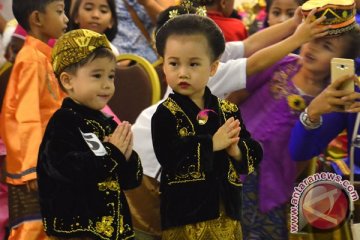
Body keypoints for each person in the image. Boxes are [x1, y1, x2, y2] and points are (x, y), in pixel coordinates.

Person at [224, 0, 360, 239]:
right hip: (228, 158)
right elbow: (235, 98)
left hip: (270, 182)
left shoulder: (333, 101)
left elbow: (305, 148)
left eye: (326, 45)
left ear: (344, 62)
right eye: (312, 38)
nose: (313, 48)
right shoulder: (280, 64)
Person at [151, 14, 263, 239]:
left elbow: (254, 152)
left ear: (212, 68)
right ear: (164, 66)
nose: (182, 72)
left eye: (193, 64)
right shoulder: (165, 114)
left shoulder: (228, 110)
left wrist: (237, 150)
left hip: (227, 211)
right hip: (185, 214)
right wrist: (211, 144)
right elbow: (169, 156)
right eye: (174, 63)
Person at [37, 29, 143, 239]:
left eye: (111, 76)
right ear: (68, 81)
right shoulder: (65, 122)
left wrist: (127, 156)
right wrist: (113, 152)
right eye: (97, 75)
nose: (107, 84)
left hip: (112, 229)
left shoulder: (105, 123)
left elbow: (130, 181)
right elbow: (67, 168)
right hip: (79, 230)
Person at [0, 0, 68, 239]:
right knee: (32, 228)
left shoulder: (45, 57)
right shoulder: (30, 59)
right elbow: (23, 117)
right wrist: (30, 169)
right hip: (35, 167)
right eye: (59, 12)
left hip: (50, 160)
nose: (66, 19)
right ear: (37, 19)